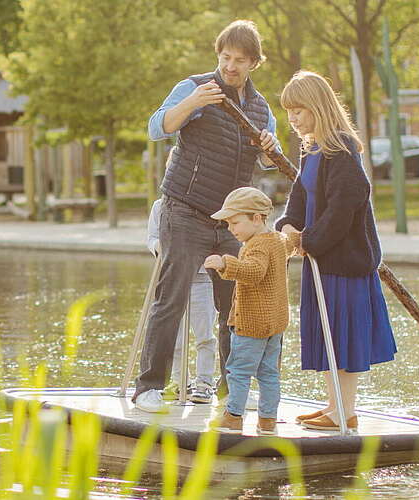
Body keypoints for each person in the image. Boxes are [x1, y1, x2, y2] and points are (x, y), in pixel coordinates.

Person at [134, 19, 282, 413]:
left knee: (237, 306)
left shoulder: (260, 107)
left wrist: (268, 147)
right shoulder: (194, 87)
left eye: (240, 60)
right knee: (172, 299)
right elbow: (156, 128)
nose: (231, 66)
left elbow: (271, 160)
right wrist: (193, 103)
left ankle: (232, 389)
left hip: (231, 222)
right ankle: (149, 387)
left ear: (254, 63)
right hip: (184, 209)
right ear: (219, 55)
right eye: (225, 57)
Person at [275, 71, 397, 431]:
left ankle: (346, 410)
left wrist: (308, 241)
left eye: (299, 110)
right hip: (320, 260)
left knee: (341, 336)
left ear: (318, 106)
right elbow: (299, 197)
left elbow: (343, 207)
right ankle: (333, 407)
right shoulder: (312, 149)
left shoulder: (341, 149)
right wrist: (288, 225)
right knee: (327, 335)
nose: (293, 118)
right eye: (289, 112)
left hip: (342, 262)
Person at [202, 187, 292, 435]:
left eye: (235, 222)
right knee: (269, 373)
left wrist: (225, 263)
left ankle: (233, 417)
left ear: (256, 218)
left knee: (238, 372)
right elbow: (291, 244)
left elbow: (253, 272)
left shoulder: (257, 246)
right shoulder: (277, 240)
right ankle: (267, 420)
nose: (231, 229)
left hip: (252, 322)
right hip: (275, 322)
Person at [146, 198, 219, 403]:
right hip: (173, 276)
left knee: (204, 334)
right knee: (175, 336)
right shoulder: (160, 206)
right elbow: (151, 238)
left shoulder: (205, 202)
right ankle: (180, 381)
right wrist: (160, 245)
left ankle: (204, 382)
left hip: (202, 278)